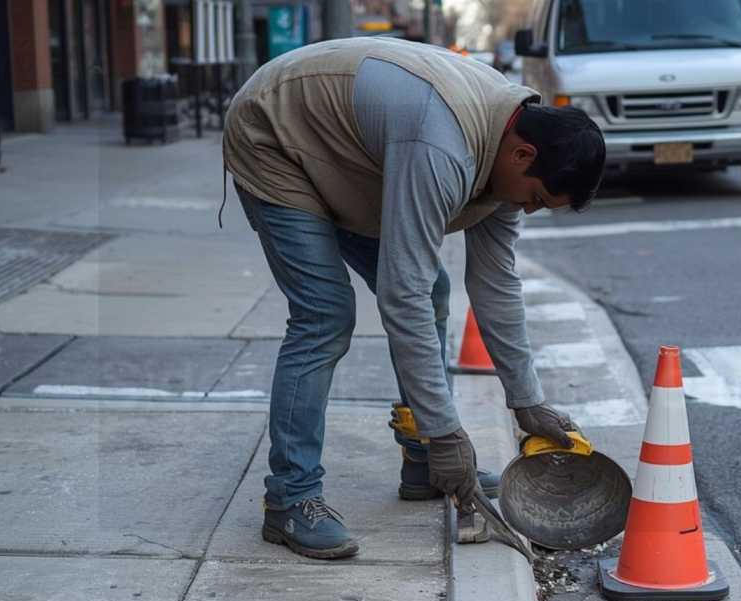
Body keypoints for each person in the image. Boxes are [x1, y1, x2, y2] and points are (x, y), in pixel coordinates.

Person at [222, 36, 605, 560]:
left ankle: (423, 461)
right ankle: (291, 498)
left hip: (348, 151)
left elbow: (495, 284)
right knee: (325, 315)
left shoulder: (508, 150)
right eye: (536, 198)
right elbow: (402, 294)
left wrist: (527, 401)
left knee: (435, 290)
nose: (529, 210)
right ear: (522, 154)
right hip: (276, 135)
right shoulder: (442, 146)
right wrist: (449, 431)